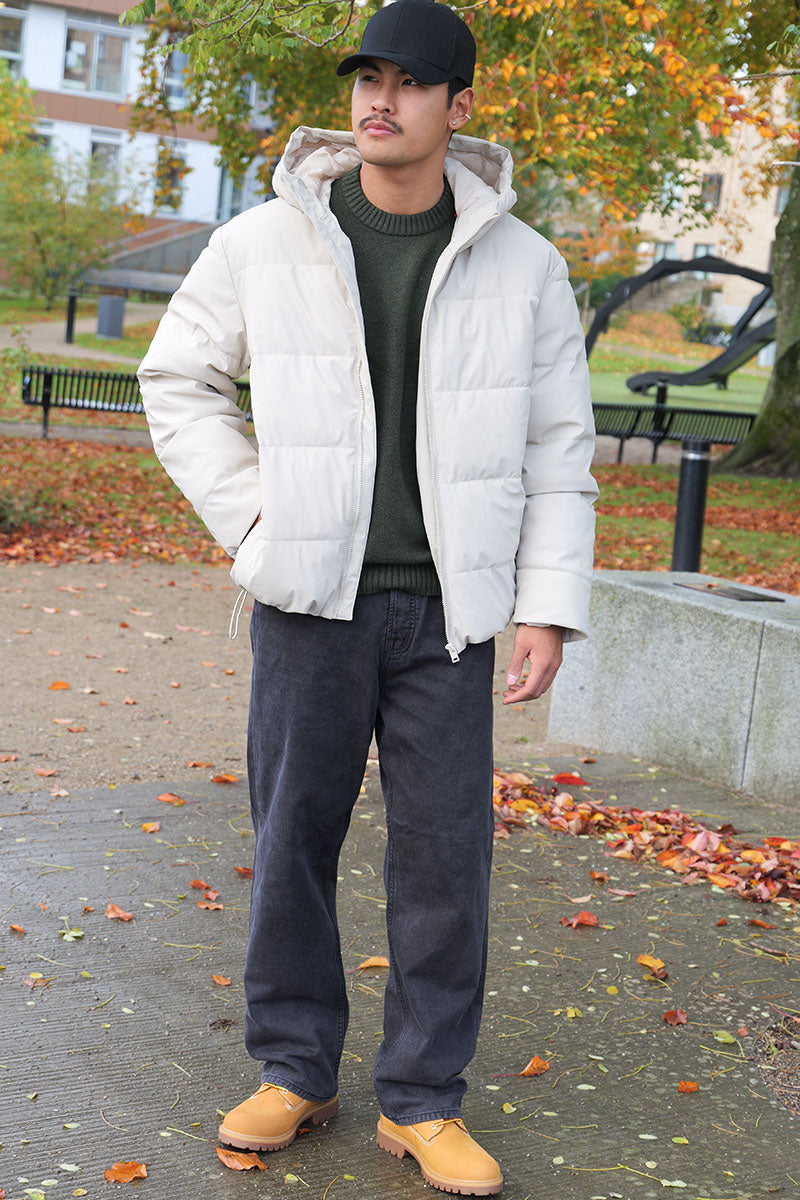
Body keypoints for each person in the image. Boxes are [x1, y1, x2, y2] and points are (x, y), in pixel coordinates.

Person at [138, 0, 597, 1192]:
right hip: (310, 605)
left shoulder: (525, 266)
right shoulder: (262, 242)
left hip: (448, 616)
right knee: (291, 840)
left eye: (408, 81)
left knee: (446, 861)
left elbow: (558, 448)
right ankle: (294, 1069)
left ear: (458, 104)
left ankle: (423, 1099)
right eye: (365, 78)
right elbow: (177, 379)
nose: (377, 100)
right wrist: (256, 520)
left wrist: (544, 604)